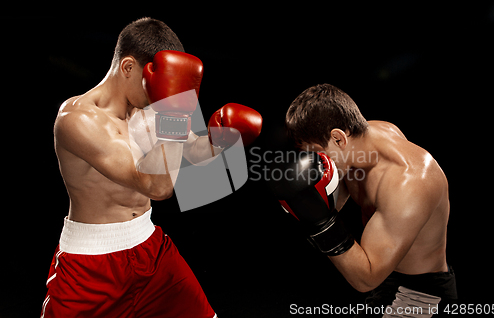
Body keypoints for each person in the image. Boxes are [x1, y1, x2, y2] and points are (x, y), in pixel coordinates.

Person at [43, 17, 262, 318]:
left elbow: (190, 152)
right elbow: (157, 186)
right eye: (154, 85)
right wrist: (174, 110)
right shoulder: (78, 120)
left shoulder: (148, 111)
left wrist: (221, 139)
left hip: (150, 249)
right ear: (129, 67)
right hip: (91, 265)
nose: (157, 96)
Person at [269, 83, 457, 317]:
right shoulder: (360, 142)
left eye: (318, 153)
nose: (317, 162)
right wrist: (306, 199)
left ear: (338, 138)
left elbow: (366, 278)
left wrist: (319, 221)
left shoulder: (409, 183)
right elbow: (332, 204)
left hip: (421, 295)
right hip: (387, 283)